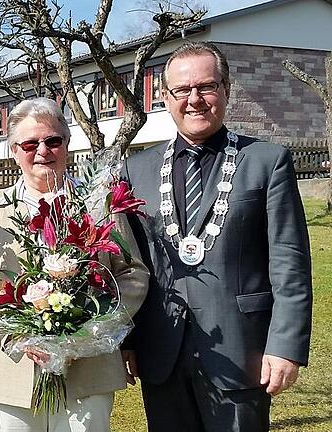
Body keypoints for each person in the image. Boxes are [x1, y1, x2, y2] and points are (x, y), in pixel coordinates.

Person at [121, 41, 313, 431]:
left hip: (244, 352)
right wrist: (126, 341)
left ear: (227, 89)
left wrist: (285, 346)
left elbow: (289, 263)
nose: (195, 100)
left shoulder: (266, 161)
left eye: (207, 87)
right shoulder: (135, 170)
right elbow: (128, 267)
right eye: (182, 90)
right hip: (162, 353)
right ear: (165, 97)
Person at [0, 97, 149, 432]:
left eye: (53, 141)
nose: (42, 151)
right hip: (10, 370)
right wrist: (8, 329)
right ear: (14, 150)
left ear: (67, 145)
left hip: (88, 367)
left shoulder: (98, 204)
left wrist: (94, 326)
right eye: (30, 143)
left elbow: (133, 273)